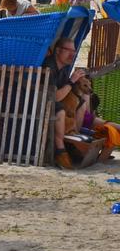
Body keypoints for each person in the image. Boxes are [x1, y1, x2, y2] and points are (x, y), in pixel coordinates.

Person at [46, 37, 84, 169]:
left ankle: (73, 143)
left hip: (52, 103)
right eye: (68, 50)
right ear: (58, 51)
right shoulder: (49, 67)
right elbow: (55, 97)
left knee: (82, 102)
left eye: (74, 51)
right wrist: (72, 81)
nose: (72, 54)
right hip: (41, 105)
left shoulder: (63, 68)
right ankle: (60, 149)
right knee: (60, 110)